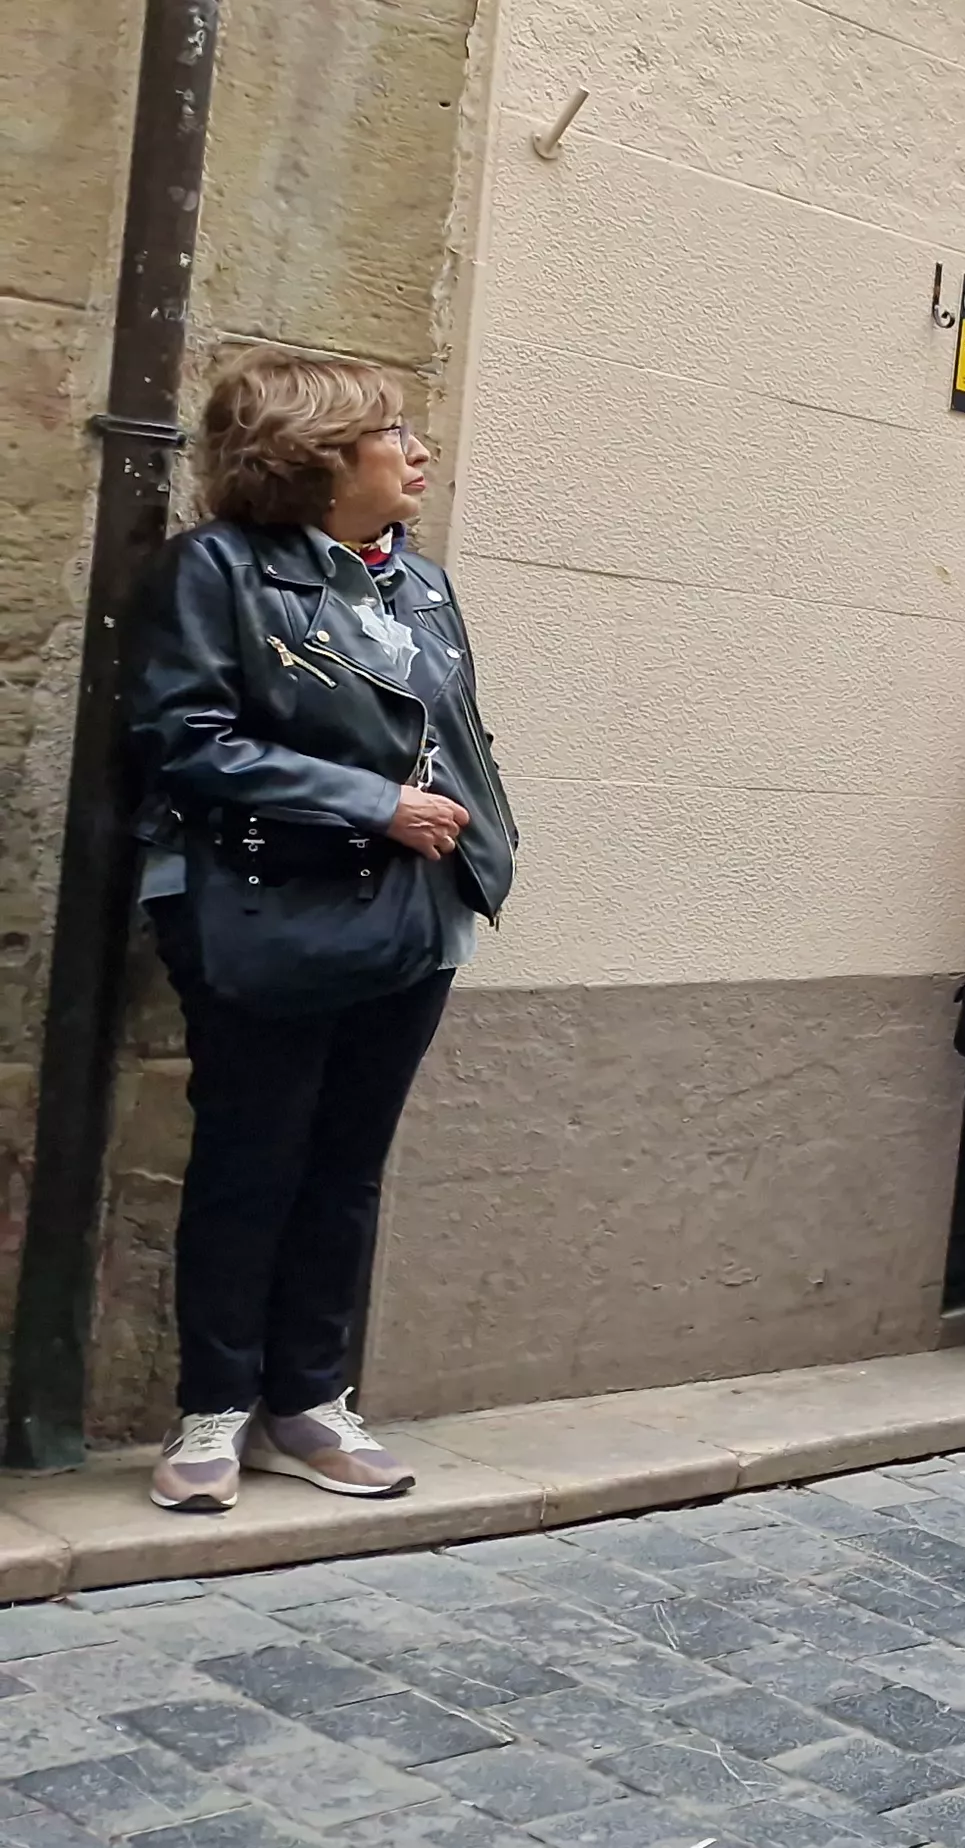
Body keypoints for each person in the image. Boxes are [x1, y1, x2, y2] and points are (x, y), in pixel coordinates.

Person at [132, 351, 519, 1512]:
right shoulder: (216, 571)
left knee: (347, 1167)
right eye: (391, 433)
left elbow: (454, 734)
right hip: (263, 909)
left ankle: (311, 1402)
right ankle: (213, 1412)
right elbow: (184, 737)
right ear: (317, 458)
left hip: (415, 910)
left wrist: (483, 851)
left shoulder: (422, 586)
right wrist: (371, 804)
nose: (417, 452)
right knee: (252, 1160)